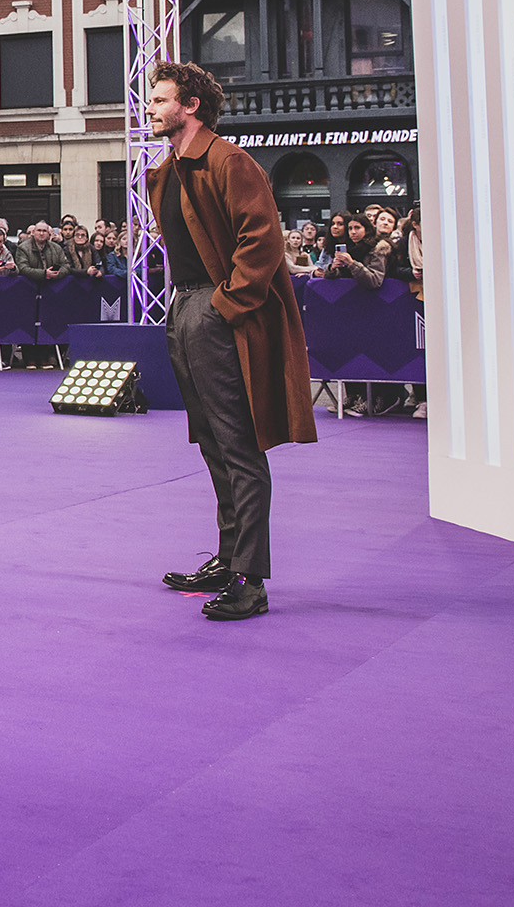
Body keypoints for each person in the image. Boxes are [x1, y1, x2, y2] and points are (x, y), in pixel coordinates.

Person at [146, 61, 314, 622]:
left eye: (160, 99)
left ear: (190, 105)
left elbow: (262, 241)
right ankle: (227, 559)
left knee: (238, 445)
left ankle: (250, 580)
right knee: (213, 442)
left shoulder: (228, 161)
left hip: (214, 310)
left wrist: (224, 306)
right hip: (185, 307)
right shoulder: (170, 170)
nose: (151, 107)